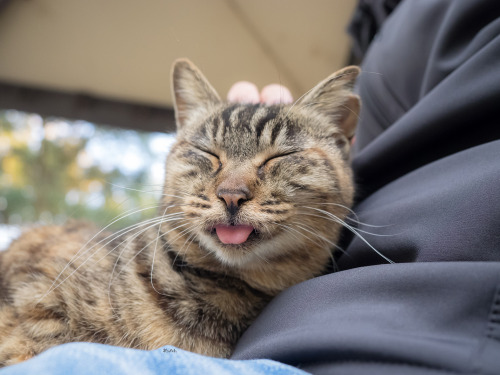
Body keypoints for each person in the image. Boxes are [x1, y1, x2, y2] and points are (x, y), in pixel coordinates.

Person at [2, 1, 499, 374]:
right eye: (204, 157)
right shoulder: (119, 277)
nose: (233, 190)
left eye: (280, 159)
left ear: (342, 141)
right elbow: (35, 253)